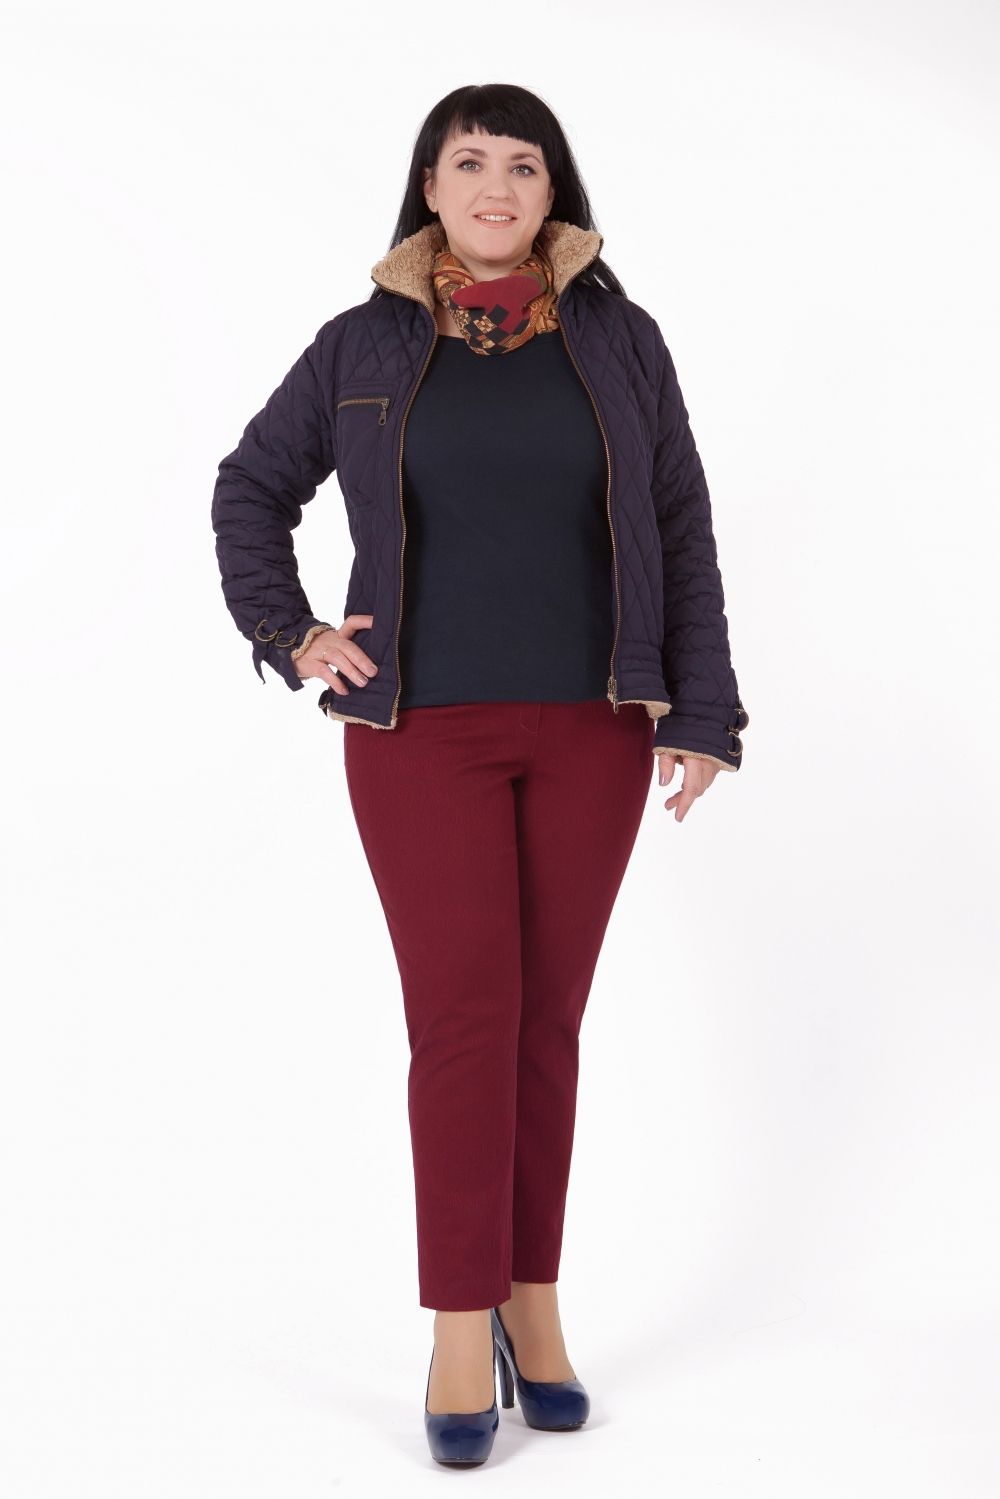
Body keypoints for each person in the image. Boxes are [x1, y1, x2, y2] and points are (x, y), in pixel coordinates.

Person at [212, 82, 747, 1468]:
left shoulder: (620, 340)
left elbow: (680, 522)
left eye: (524, 164)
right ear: (430, 188)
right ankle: (461, 1323)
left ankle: (532, 1301)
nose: (496, 187)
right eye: (469, 162)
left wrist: (703, 709)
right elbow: (250, 488)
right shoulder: (362, 345)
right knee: (464, 1024)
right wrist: (292, 632)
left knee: (545, 1026)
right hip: (419, 733)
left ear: (554, 191)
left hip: (594, 728)